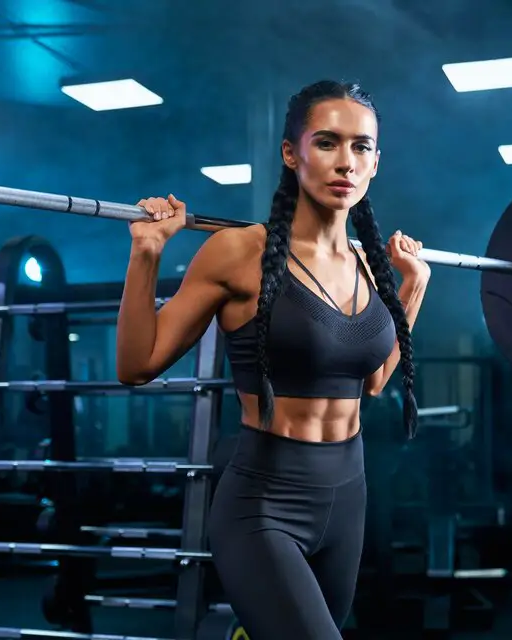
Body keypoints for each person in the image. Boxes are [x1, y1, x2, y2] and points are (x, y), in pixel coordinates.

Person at [116, 80, 431, 639]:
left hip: (348, 497)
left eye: (361, 147)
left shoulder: (369, 266)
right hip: (265, 504)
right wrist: (146, 253)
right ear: (292, 153)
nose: (346, 162)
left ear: (376, 163)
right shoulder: (240, 252)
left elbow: (377, 381)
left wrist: (414, 284)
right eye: (328, 143)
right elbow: (137, 364)